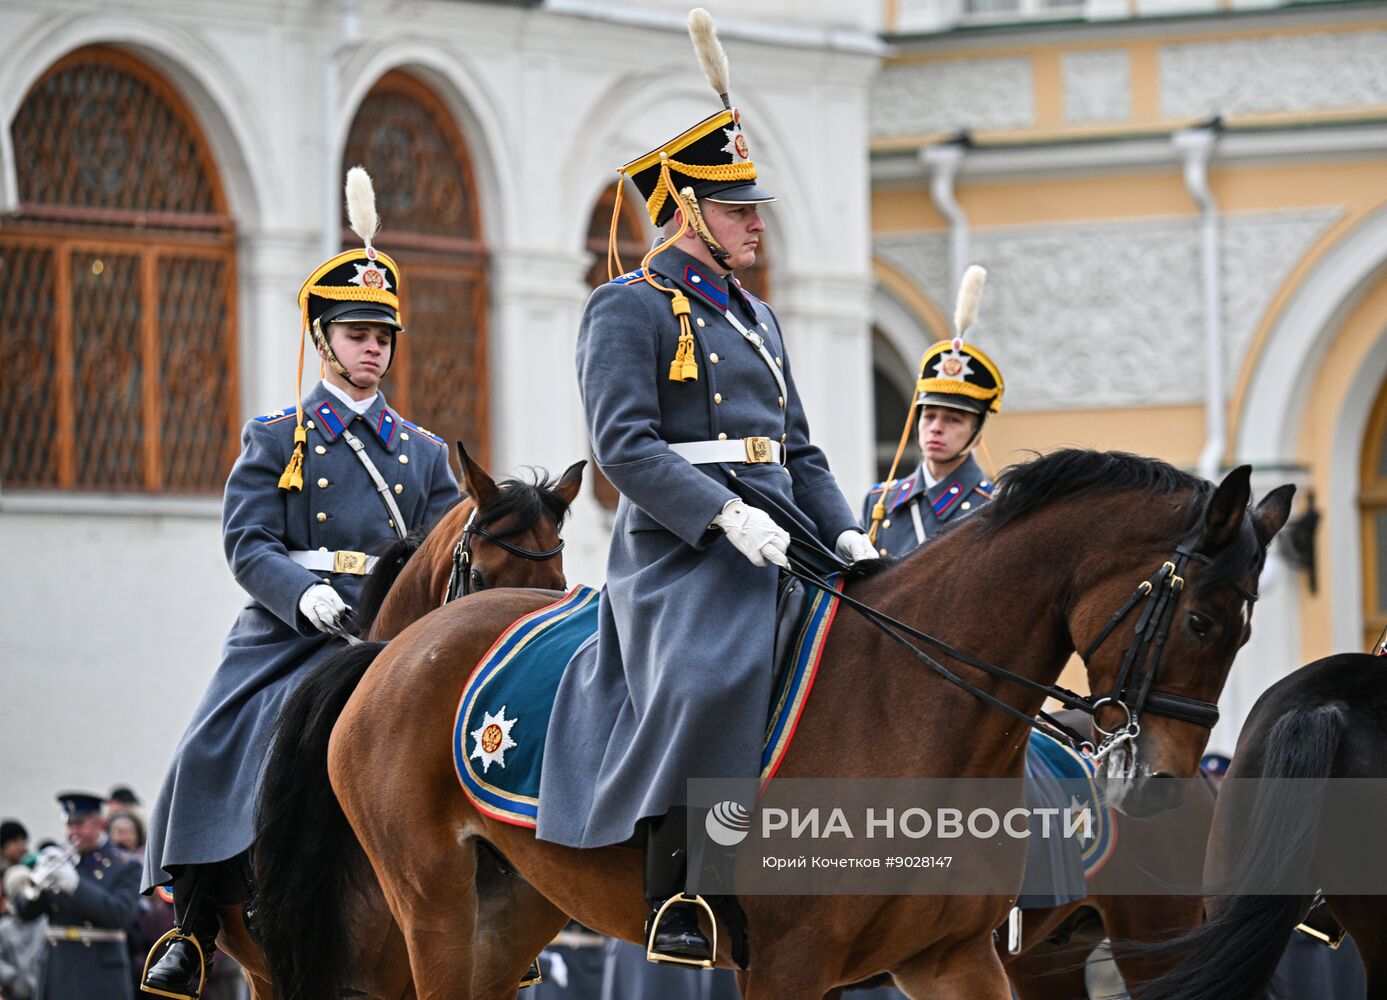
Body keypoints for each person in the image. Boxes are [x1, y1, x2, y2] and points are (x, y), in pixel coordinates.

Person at [535, 9, 878, 966]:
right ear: (688, 213)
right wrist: (720, 513)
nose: (756, 223)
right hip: (681, 550)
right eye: (738, 210)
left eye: (754, 208)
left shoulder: (759, 318)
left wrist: (844, 534)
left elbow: (798, 451)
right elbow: (624, 449)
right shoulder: (627, 308)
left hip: (787, 530)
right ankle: (682, 889)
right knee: (704, 673)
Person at [139, 167, 460, 999]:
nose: (373, 349)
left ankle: (480, 910)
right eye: (356, 334)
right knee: (217, 739)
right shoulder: (278, 434)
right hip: (292, 629)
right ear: (322, 341)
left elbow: (445, 551)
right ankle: (196, 922)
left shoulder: (423, 453)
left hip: (385, 635)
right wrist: (299, 594)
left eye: (383, 336)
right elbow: (246, 541)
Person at [861, 329, 1004, 556]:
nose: (936, 427)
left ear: (977, 436)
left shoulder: (997, 506)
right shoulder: (881, 502)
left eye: (953, 420)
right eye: (929, 416)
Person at [11, 793, 141, 1000]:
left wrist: (75, 885)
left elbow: (121, 915)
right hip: (59, 969)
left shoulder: (126, 865)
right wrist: (34, 890)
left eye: (80, 825)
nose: (73, 833)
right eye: (69, 825)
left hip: (101, 974)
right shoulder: (64, 862)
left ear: (100, 824)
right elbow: (24, 914)